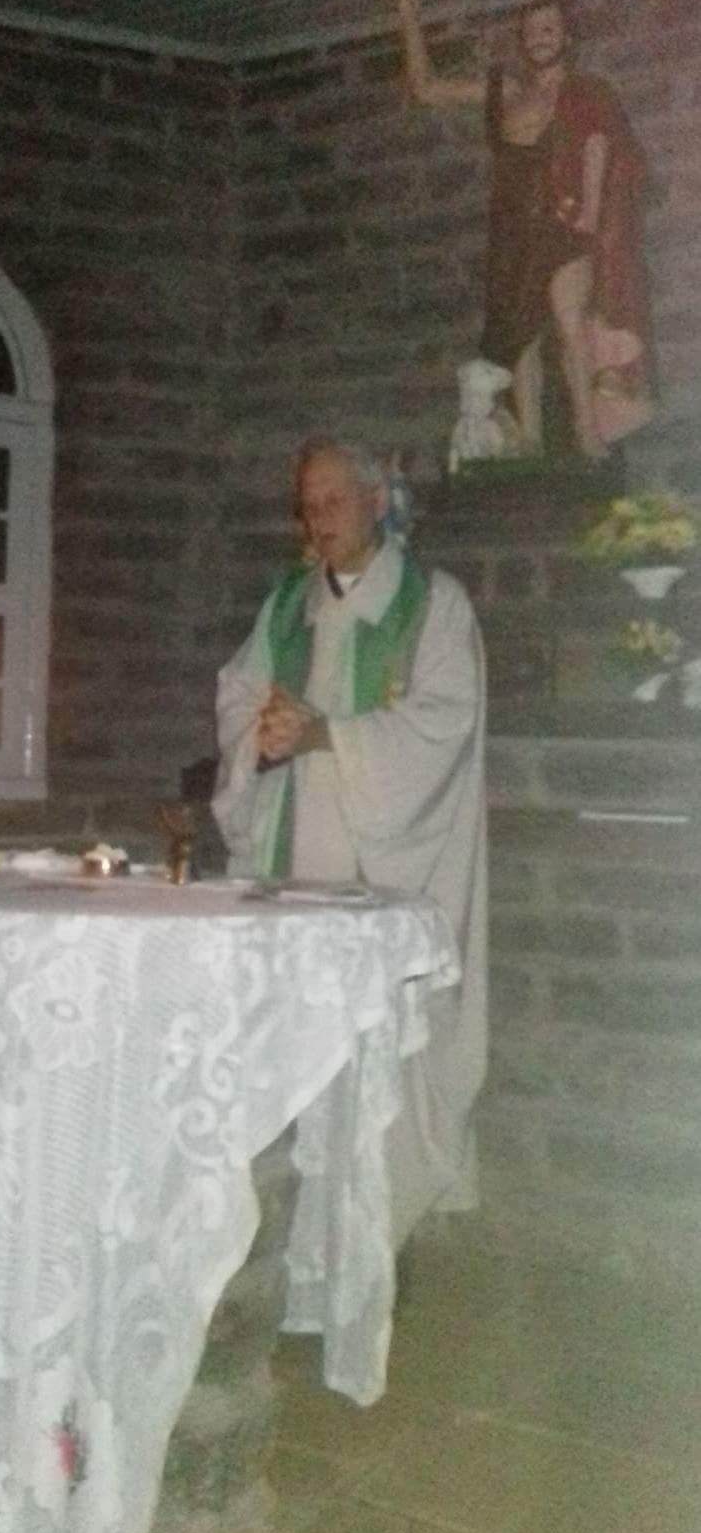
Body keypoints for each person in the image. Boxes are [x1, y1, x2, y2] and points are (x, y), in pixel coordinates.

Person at [213, 437, 487, 1250]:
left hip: (388, 852)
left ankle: (380, 1237)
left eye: (333, 500)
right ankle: (298, 1236)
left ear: (375, 501)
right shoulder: (286, 605)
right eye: (308, 504)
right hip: (294, 846)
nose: (319, 518)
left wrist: (330, 735)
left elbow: (445, 722)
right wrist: (258, 735)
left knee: (380, 1046)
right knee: (299, 1038)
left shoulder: (433, 604)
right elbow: (237, 695)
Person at [398, 0, 654, 463]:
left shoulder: (584, 91)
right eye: (532, 30)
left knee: (570, 319)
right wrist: (409, 18)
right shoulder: (506, 90)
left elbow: (599, 146)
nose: (540, 38)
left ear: (566, 36)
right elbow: (427, 89)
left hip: (563, 218)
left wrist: (590, 214)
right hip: (513, 225)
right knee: (521, 331)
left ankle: (588, 431)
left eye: (550, 28)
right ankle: (530, 437)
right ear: (522, 40)